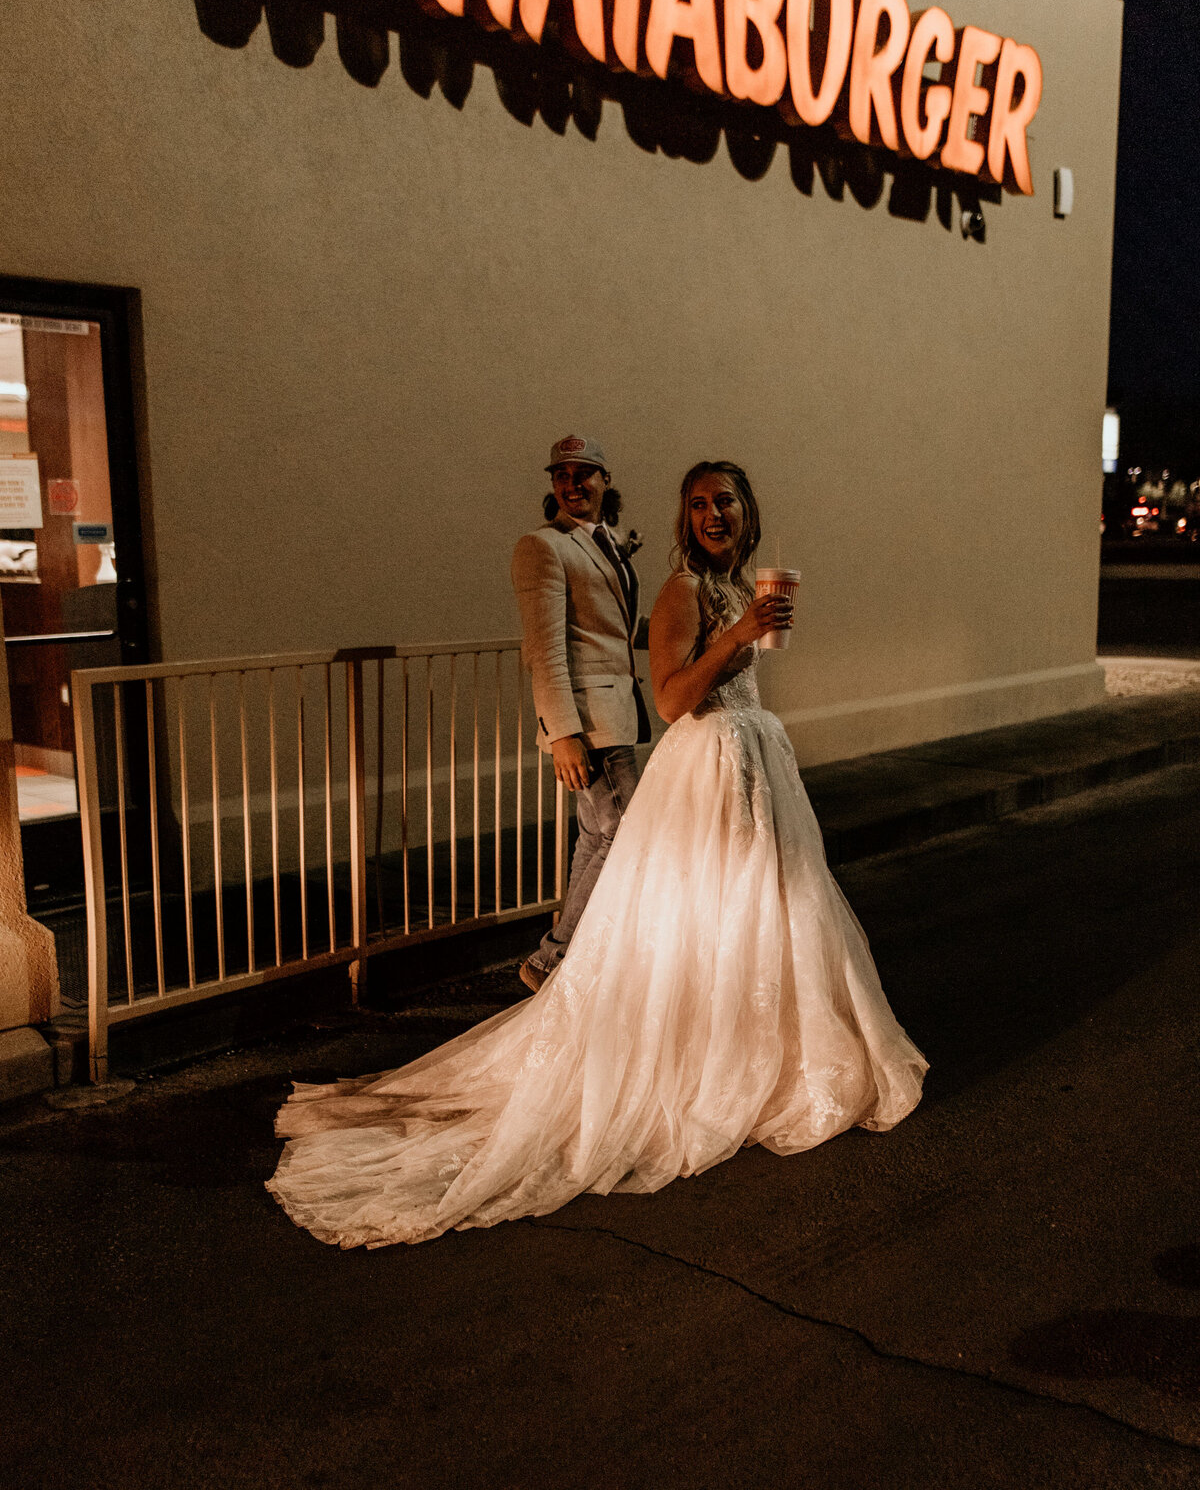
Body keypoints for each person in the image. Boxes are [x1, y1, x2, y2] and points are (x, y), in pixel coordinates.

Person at [267, 461, 927, 1249]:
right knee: (702, 917)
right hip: (709, 768)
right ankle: (682, 1048)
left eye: (725, 501)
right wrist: (741, 636)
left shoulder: (745, 583)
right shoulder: (683, 591)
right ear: (686, 521)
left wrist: (753, 623)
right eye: (698, 504)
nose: (712, 512)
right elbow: (676, 698)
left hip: (758, 767)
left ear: (748, 513)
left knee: (768, 913)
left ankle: (765, 1051)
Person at [510, 436, 649, 995]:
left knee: (596, 836)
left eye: (583, 473)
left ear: (605, 479)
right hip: (587, 723)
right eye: (561, 475)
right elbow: (545, 648)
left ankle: (556, 955)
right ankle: (556, 957)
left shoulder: (608, 542)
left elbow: (611, 633)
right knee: (627, 832)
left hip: (614, 712)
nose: (572, 483)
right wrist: (562, 733)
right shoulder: (543, 546)